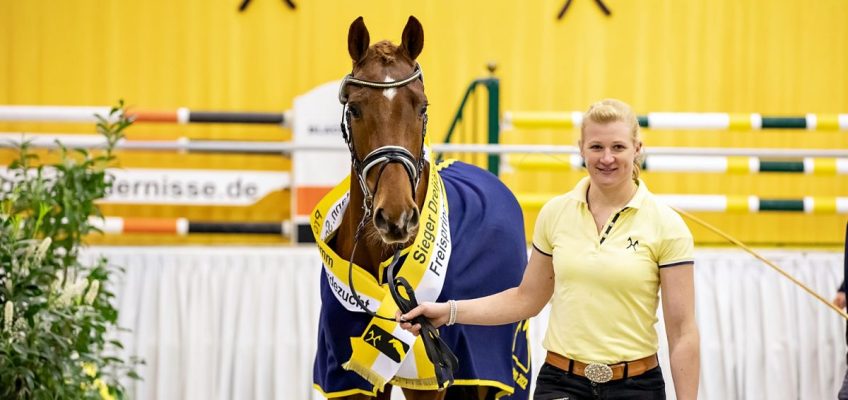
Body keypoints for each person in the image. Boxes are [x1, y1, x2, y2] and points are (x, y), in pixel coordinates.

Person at [398, 99, 700, 399]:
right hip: (561, 384)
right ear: (581, 149)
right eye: (596, 147)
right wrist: (448, 311)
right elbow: (525, 299)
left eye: (618, 147)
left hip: (637, 387)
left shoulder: (667, 226)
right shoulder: (555, 213)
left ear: (637, 149)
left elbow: (683, 331)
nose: (607, 158)